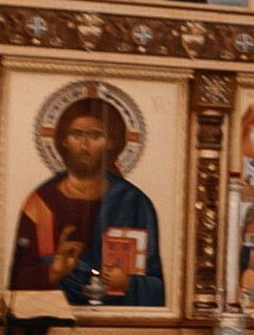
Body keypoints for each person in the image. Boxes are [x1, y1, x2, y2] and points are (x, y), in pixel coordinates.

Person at [10, 94, 165, 307]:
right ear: (63, 140)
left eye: (95, 135)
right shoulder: (41, 202)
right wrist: (54, 271)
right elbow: (15, 279)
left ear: (111, 143)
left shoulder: (135, 202)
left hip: (121, 324)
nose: (84, 145)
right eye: (76, 134)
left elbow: (158, 286)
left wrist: (129, 283)